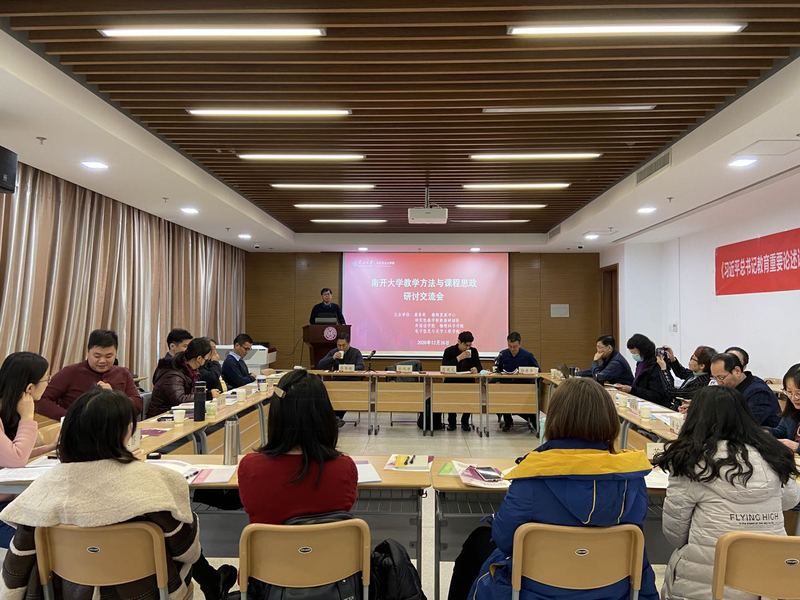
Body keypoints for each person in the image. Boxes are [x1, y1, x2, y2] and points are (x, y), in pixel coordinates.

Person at [0, 389, 237, 600]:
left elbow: (17, 567)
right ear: (127, 431)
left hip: (69, 591)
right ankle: (213, 584)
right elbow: (186, 550)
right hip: (146, 591)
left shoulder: (44, 488)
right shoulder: (155, 481)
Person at [455, 378, 658, 600]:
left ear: (554, 418)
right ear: (610, 420)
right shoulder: (632, 479)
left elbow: (504, 539)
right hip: (614, 591)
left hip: (535, 592)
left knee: (478, 544)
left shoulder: (532, 476)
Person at [654, 386, 800, 600]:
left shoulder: (691, 461)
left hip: (709, 584)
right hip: (768, 581)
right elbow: (789, 501)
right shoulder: (773, 454)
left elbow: (675, 534)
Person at [238, 370, 357, 525]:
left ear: (275, 414)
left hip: (272, 542)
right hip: (330, 542)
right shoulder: (344, 468)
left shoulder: (251, 467)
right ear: (325, 414)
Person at [0, 352, 54, 550]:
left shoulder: (6, 410)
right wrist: (27, 417)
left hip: (10, 501)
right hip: (3, 508)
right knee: (44, 543)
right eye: (47, 379)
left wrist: (49, 448)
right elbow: (16, 459)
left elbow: (6, 454)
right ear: (30, 388)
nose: (48, 384)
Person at [36, 329, 142, 419]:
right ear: (88, 353)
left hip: (115, 428)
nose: (102, 361)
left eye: (109, 356)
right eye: (97, 356)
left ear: (115, 354)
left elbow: (137, 404)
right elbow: (41, 400)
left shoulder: (123, 373)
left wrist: (114, 397)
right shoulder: (70, 372)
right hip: (77, 428)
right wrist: (70, 417)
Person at [148, 337, 219, 418]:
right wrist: (207, 395)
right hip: (161, 417)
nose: (207, 361)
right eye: (206, 359)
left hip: (178, 415)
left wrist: (207, 393)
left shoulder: (192, 371)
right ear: (199, 358)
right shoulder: (173, 374)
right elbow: (180, 400)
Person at [710, 353, 780, 427]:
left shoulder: (758, 392)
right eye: (714, 378)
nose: (718, 383)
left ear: (737, 371)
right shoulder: (731, 388)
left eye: (721, 377)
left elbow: (747, 425)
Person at [493, 332, 539, 432]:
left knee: (529, 401)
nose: (512, 349)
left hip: (524, 387)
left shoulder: (527, 355)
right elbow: (497, 370)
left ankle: (534, 422)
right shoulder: (503, 354)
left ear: (520, 344)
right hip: (507, 386)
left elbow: (538, 370)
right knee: (503, 396)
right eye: (510, 346)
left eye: (515, 346)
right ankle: (508, 422)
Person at [317, 333, 365, 425]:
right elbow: (320, 365)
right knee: (330, 395)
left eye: (343, 345)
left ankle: (335, 418)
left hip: (352, 382)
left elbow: (361, 367)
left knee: (343, 395)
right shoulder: (334, 352)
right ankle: (335, 419)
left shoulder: (356, 352)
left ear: (349, 343)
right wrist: (332, 358)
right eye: (339, 345)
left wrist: (348, 368)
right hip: (337, 381)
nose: (341, 348)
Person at [614, 333, 671, 408]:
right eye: (632, 353)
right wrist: (627, 388)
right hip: (641, 403)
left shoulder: (657, 366)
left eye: (635, 353)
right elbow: (638, 385)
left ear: (644, 351)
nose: (634, 356)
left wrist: (632, 390)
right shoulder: (641, 363)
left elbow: (656, 396)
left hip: (655, 406)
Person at [442, 331, 482, 431]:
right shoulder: (449, 351)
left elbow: (479, 366)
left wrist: (476, 369)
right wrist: (459, 358)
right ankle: (452, 422)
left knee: (468, 399)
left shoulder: (473, 351)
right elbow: (444, 367)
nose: (468, 348)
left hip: (467, 381)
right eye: (466, 345)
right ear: (459, 342)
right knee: (451, 399)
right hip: (452, 381)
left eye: (470, 345)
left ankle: (465, 422)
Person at [769, 363, 800, 456]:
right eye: (789, 392)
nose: (794, 398)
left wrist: (797, 447)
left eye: (798, 393)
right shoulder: (792, 411)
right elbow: (781, 432)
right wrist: (763, 432)